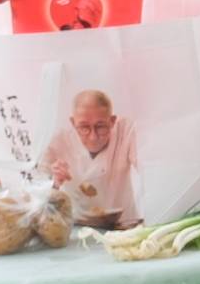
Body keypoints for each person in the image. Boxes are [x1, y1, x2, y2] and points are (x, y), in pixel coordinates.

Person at [43, 89, 140, 229]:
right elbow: (35, 188)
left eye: (100, 127)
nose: (93, 137)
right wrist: (53, 182)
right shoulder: (58, 140)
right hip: (74, 225)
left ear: (112, 121)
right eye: (84, 127)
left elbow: (148, 169)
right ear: (72, 122)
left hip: (123, 224)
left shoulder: (125, 131)